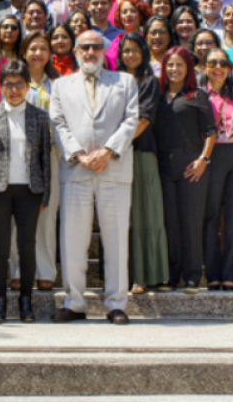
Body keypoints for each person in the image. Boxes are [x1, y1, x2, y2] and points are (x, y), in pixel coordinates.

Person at [49, 30, 138, 324]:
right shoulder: (61, 86)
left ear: (104, 50)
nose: (90, 52)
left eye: (96, 47)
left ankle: (116, 304)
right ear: (75, 51)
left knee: (115, 239)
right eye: (84, 47)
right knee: (73, 239)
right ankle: (74, 302)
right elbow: (58, 123)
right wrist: (78, 154)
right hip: (76, 169)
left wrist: (109, 151)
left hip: (113, 169)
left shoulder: (124, 82)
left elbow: (130, 120)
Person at [0, 60, 52, 323]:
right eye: (8, 85)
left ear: (28, 86)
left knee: (27, 247)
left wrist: (45, 194)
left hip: (30, 191)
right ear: (1, 87)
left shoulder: (40, 117)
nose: (14, 90)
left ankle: (25, 303)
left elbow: (45, 159)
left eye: (20, 84)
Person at [152, 47, 217, 294]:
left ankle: (192, 276)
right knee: (170, 221)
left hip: (192, 162)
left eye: (179, 65)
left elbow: (211, 132)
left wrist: (203, 160)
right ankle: (171, 276)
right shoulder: (157, 96)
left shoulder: (197, 95)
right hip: (164, 164)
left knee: (191, 221)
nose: (174, 70)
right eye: (170, 65)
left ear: (188, 68)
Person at [115, 34, 169, 293]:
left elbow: (145, 118)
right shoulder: (112, 81)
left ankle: (145, 275)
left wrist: (116, 145)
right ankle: (118, 276)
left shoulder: (149, 82)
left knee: (145, 214)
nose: (130, 55)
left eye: (135, 50)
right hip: (115, 154)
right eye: (126, 51)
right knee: (118, 217)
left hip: (140, 151)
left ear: (144, 53)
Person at [202, 48, 233, 291]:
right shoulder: (200, 95)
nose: (218, 67)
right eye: (212, 63)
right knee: (211, 214)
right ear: (204, 68)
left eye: (223, 62)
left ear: (230, 67)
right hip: (213, 155)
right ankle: (212, 273)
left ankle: (231, 273)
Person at [19, 31, 62, 291]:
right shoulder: (13, 81)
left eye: (43, 48)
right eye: (32, 48)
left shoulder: (59, 85)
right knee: (17, 216)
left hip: (51, 155)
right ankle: (17, 268)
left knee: (46, 213)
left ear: (50, 54)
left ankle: (45, 269)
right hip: (17, 156)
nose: (37, 53)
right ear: (24, 52)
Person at [104, 0, 151, 69]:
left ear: (141, 15)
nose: (128, 15)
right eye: (124, 12)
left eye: (133, 11)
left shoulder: (148, 40)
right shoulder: (115, 42)